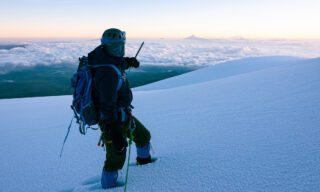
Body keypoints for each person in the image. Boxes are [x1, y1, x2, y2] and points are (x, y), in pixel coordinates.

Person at [87, 28, 153, 189]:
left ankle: (147, 168)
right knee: (116, 157)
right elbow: (106, 104)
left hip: (122, 114)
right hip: (113, 119)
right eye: (116, 46)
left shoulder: (106, 58)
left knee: (143, 136)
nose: (120, 49)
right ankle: (108, 186)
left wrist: (128, 61)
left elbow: (116, 62)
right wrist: (115, 131)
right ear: (108, 46)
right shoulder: (107, 72)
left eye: (121, 45)